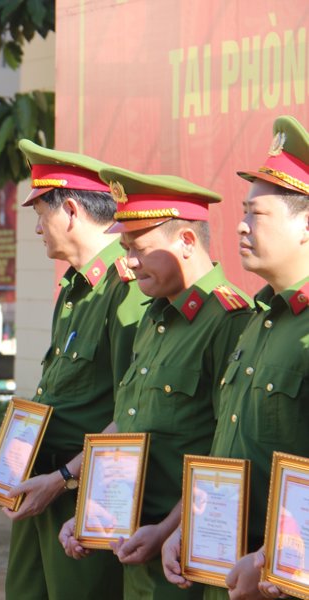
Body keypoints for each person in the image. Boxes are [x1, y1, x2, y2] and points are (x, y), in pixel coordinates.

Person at [59, 167, 252, 599]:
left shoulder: (230, 319)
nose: (128, 261)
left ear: (186, 242)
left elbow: (227, 454)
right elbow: (126, 424)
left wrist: (170, 529)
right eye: (125, 247)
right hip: (132, 539)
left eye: (139, 248)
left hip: (183, 552)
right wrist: (90, 506)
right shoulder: (154, 315)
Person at [0, 140, 147, 600]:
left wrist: (67, 478)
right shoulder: (73, 289)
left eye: (40, 213)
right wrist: (0, 470)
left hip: (84, 493)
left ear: (70, 210)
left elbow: (135, 414)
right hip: (39, 485)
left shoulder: (126, 290)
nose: (35, 229)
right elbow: (55, 397)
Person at [160, 115, 309, 600]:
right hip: (223, 564)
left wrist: (272, 560)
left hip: (282, 578)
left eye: (257, 215)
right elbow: (229, 444)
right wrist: (186, 527)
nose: (240, 227)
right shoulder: (259, 319)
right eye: (243, 213)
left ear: (305, 225)